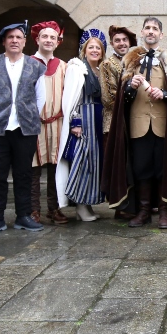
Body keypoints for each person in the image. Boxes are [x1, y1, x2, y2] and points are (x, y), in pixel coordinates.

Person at [101, 17, 167, 227]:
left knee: (163, 167)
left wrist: (165, 95)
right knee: (141, 168)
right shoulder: (130, 61)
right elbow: (123, 100)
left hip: (163, 125)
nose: (151, 32)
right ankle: (143, 210)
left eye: (155, 29)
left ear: (161, 35)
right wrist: (130, 87)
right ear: (142, 33)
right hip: (137, 125)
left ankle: (164, 210)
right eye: (147, 28)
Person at [0, 23, 47, 235]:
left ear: (25, 41)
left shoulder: (35, 66)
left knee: (23, 174)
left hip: (25, 129)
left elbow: (40, 97)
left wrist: (28, 115)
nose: (14, 40)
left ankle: (23, 215)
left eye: (18, 37)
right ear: (4, 41)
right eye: (10, 37)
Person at [57, 29, 107, 223]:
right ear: (84, 50)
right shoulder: (77, 68)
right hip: (84, 119)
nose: (95, 50)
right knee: (82, 162)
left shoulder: (101, 70)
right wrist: (75, 122)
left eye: (98, 48)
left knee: (94, 163)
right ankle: (79, 204)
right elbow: (70, 97)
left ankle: (86, 203)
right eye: (91, 47)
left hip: (98, 119)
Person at [29, 21, 68, 224]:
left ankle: (54, 208)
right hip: (33, 124)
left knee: (55, 168)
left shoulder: (63, 66)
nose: (48, 40)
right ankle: (33, 209)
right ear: (37, 39)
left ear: (57, 42)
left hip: (57, 123)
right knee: (33, 168)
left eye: (53, 37)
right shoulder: (27, 64)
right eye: (45, 36)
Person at [100, 25, 137, 218]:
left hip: (131, 124)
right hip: (114, 124)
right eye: (117, 41)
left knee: (131, 165)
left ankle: (133, 205)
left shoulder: (134, 63)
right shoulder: (108, 64)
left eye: (124, 40)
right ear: (113, 44)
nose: (122, 43)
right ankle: (120, 207)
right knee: (118, 166)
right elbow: (109, 97)